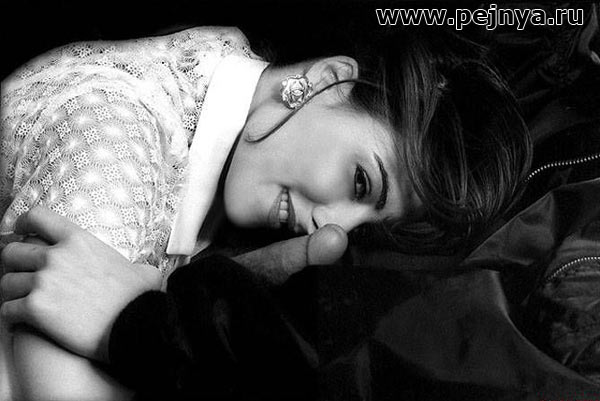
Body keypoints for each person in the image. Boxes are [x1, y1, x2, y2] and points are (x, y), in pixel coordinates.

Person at [1, 23, 532, 399]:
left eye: (367, 227)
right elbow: (55, 387)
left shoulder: (221, 74)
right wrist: (141, 325)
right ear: (325, 79)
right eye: (360, 182)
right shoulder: (114, 131)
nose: (334, 227)